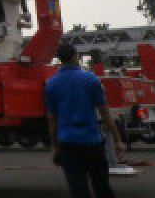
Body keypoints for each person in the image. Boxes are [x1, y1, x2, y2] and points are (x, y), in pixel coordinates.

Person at [46, 42, 126, 198]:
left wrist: (55, 147)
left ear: (60, 60)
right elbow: (105, 113)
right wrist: (117, 140)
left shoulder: (51, 84)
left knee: (78, 190)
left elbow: (52, 120)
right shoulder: (91, 79)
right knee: (102, 187)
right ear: (76, 57)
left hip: (68, 145)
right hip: (92, 143)